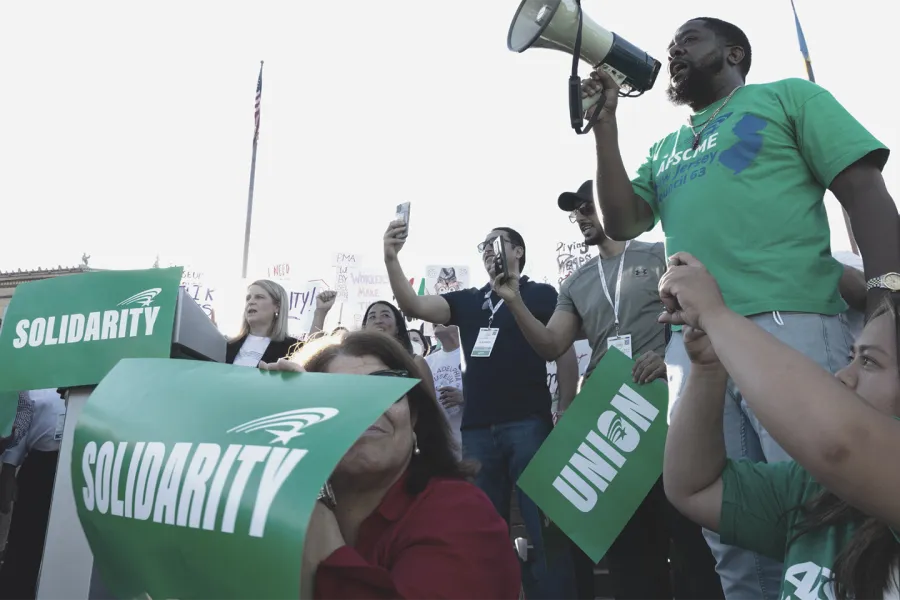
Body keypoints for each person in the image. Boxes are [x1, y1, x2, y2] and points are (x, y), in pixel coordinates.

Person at [582, 16, 900, 598]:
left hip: (792, 326)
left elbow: (863, 190)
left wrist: (887, 300)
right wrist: (606, 126)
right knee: (731, 535)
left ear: (735, 52)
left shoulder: (789, 98)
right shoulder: (667, 147)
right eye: (671, 45)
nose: (674, 51)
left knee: (835, 507)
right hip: (699, 352)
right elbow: (622, 221)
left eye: (689, 40)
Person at [493, 179, 722, 600]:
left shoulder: (658, 254)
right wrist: (513, 300)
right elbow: (550, 345)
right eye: (575, 211)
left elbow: (701, 313)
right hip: (610, 421)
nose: (580, 217)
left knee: (688, 538)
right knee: (630, 553)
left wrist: (671, 355)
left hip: (665, 410)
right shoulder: (576, 281)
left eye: (587, 207)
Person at [660, 252, 900, 600]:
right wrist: (708, 367)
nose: (843, 377)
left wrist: (715, 315)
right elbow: (693, 488)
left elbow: (841, 445)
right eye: (851, 357)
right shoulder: (813, 490)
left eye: (869, 362)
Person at [382, 219, 579, 599]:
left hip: (528, 424)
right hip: (476, 432)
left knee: (543, 527)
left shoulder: (540, 293)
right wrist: (391, 258)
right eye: (483, 246)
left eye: (498, 243)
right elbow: (412, 304)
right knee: (483, 531)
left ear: (518, 252)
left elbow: (562, 348)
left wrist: (566, 405)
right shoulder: (467, 300)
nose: (489, 250)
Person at [260, 332, 521, 600]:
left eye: (386, 388)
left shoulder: (462, 512)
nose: (366, 407)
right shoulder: (266, 514)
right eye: (337, 394)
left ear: (414, 416)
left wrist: (313, 501)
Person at [0, 389, 66, 599]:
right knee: (27, 541)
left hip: (83, 462)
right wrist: (8, 472)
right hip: (42, 465)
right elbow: (20, 423)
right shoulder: (35, 378)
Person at [226, 279, 298, 366]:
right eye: (248, 298)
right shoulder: (229, 345)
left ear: (277, 307)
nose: (251, 302)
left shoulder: (294, 349)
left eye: (259, 297)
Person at [425, 324, 465, 456]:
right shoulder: (427, 362)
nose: (435, 321)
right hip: (441, 447)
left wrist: (466, 397)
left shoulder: (473, 355)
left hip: (471, 444)